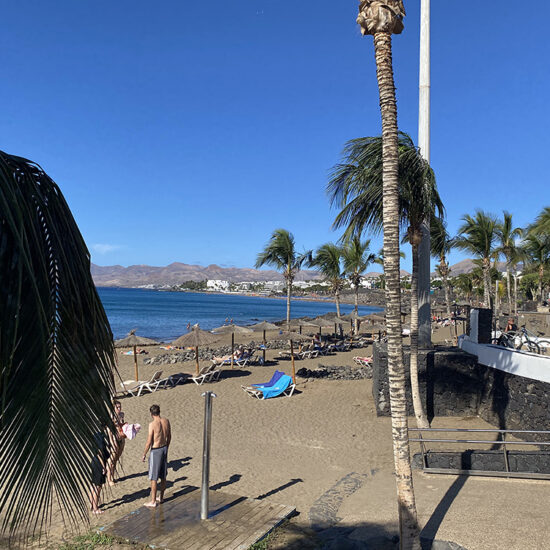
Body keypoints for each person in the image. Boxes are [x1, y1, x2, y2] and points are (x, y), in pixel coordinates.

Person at [142, 404, 171, 507]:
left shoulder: (152, 424)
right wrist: (166, 447)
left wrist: (144, 454)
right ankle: (161, 497)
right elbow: (169, 436)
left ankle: (153, 501)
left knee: (154, 477)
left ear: (151, 414)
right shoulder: (166, 421)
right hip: (164, 448)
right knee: (163, 475)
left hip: (156, 450)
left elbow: (149, 441)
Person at [90, 428, 109, 514]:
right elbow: (100, 453)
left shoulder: (95, 435)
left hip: (93, 461)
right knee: (98, 487)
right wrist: (103, 466)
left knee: (93, 485)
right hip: (98, 463)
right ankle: (95, 508)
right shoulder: (100, 437)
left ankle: (92, 505)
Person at [107, 400, 126, 486]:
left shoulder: (121, 415)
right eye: (117, 407)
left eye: (120, 407)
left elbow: (122, 426)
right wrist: (111, 441)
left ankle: (112, 475)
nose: (119, 409)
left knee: (116, 458)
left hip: (121, 437)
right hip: (114, 438)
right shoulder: (111, 417)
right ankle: (109, 478)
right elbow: (109, 430)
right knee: (112, 459)